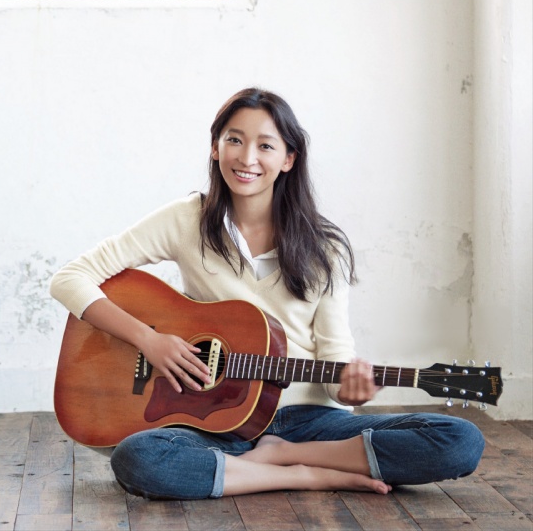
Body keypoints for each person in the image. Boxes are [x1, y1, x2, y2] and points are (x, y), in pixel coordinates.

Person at [49, 88, 484, 500]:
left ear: (289, 159)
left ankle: (277, 459)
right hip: (216, 424)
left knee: (459, 441)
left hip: (308, 422)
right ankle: (305, 475)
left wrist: (351, 391)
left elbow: (335, 362)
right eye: (234, 140)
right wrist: (149, 339)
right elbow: (70, 277)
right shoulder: (187, 220)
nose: (247, 157)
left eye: (266, 146)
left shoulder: (324, 248)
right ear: (215, 147)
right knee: (137, 458)